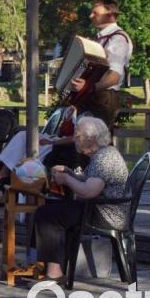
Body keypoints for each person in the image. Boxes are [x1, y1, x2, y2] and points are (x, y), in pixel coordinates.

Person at [33, 117, 129, 284]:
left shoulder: (105, 158)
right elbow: (88, 180)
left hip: (106, 213)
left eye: (78, 136)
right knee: (48, 208)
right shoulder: (103, 153)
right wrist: (69, 172)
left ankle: (54, 273)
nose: (75, 139)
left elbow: (89, 191)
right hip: (101, 208)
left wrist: (66, 180)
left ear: (91, 138)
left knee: (47, 214)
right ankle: (46, 265)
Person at [45, 0, 132, 170]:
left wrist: (90, 87)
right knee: (84, 143)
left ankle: (101, 182)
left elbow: (114, 76)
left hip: (103, 97)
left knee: (94, 143)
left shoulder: (118, 39)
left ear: (111, 14)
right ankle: (82, 182)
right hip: (92, 97)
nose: (91, 16)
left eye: (96, 12)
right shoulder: (100, 40)